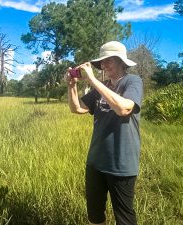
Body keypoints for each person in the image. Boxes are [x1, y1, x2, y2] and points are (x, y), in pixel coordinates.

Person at [66, 41, 143, 225]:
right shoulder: (101, 88)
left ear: (121, 62)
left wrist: (93, 80)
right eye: (101, 62)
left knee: (124, 218)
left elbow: (124, 109)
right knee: (95, 215)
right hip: (95, 162)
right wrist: (71, 86)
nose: (103, 65)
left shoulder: (132, 82)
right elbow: (77, 108)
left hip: (121, 163)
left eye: (108, 60)